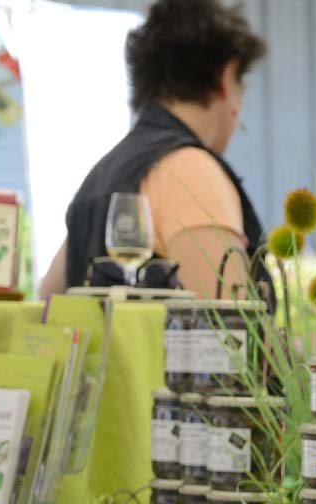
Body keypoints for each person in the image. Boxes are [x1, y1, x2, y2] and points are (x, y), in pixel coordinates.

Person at [38, 0, 266, 299]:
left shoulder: (103, 173)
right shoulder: (190, 170)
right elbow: (234, 329)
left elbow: (48, 300)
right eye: (241, 88)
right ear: (226, 77)